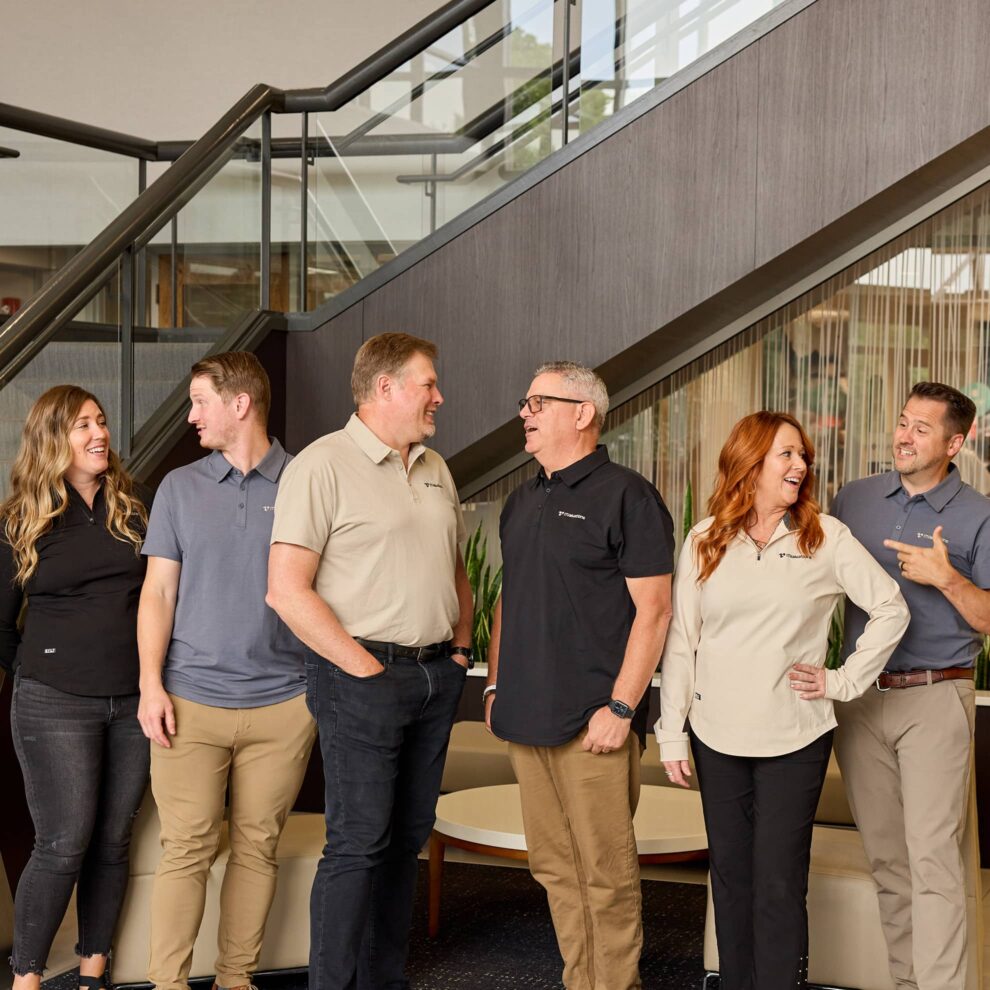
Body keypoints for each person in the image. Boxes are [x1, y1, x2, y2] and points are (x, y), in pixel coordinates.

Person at [658, 410, 909, 990]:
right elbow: (683, 641)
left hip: (796, 736)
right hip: (716, 732)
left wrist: (841, 681)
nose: (800, 466)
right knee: (730, 878)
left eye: (803, 456)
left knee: (777, 881)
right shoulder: (704, 538)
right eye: (787, 455)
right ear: (750, 464)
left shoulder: (825, 536)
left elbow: (892, 608)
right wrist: (672, 731)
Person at [266, 332, 473, 990]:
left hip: (435, 677)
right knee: (358, 843)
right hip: (362, 678)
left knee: (407, 838)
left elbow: (456, 569)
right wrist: (360, 668)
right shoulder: (321, 466)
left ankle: (383, 980)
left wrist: (461, 649)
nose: (439, 396)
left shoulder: (437, 467)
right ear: (385, 388)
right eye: (428, 384)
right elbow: (285, 589)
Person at [485, 361, 675, 990]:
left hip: (595, 720)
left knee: (606, 873)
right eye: (526, 400)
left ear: (583, 413)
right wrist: (494, 683)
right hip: (526, 715)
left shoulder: (628, 495)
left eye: (538, 401)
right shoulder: (522, 498)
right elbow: (508, 597)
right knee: (554, 868)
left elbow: (655, 610)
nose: (524, 413)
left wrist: (621, 709)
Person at [138, 352, 316, 990]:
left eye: (200, 402)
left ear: (239, 404)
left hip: (284, 705)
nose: (191, 416)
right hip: (190, 701)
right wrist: (150, 685)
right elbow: (157, 593)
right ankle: (168, 983)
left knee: (256, 847)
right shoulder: (179, 489)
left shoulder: (305, 481)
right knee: (184, 848)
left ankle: (235, 978)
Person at [831, 381, 990, 990]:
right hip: (863, 700)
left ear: (956, 441)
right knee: (889, 864)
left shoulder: (978, 516)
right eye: (902, 421)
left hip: (935, 698)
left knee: (934, 864)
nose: (904, 435)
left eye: (922, 428)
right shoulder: (855, 499)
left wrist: (947, 579)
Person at [1, 385, 149, 990]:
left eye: (102, 421)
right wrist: (45, 666)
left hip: (135, 701)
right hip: (54, 704)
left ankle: (93, 972)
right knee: (64, 842)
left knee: (113, 841)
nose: (98, 433)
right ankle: (27, 979)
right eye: (81, 425)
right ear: (51, 440)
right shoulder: (20, 522)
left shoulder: (132, 510)